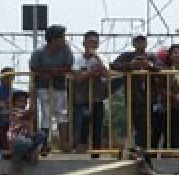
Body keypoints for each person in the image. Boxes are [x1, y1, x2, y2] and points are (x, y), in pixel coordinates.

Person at [28, 24, 74, 152]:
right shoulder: (39, 52)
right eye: (62, 37)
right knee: (46, 114)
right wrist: (50, 72)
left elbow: (69, 66)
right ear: (53, 39)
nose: (64, 40)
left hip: (60, 86)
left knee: (62, 113)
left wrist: (53, 72)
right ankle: (44, 144)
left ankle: (64, 143)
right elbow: (34, 68)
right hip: (43, 86)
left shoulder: (66, 50)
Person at [111, 34, 159, 148]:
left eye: (142, 42)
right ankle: (137, 147)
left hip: (150, 96)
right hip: (133, 96)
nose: (140, 44)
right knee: (136, 123)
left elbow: (160, 67)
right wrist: (130, 65)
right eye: (137, 42)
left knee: (149, 124)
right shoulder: (127, 56)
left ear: (146, 44)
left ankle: (144, 148)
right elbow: (113, 65)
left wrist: (149, 66)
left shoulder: (151, 56)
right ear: (133, 44)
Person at [72, 30, 109, 152]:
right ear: (84, 43)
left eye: (95, 43)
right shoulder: (77, 60)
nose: (92, 45)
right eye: (90, 42)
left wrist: (98, 59)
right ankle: (81, 149)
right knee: (83, 125)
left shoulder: (101, 59)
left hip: (98, 98)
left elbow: (107, 75)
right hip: (82, 99)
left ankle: (96, 153)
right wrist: (91, 73)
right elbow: (77, 78)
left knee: (98, 127)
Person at [158, 44, 179, 149]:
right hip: (169, 107)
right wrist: (173, 96)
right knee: (170, 134)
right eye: (175, 53)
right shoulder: (165, 69)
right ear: (170, 55)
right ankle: (168, 157)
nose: (177, 55)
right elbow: (161, 88)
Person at [7, 90, 48, 162]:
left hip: (26, 138)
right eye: (21, 101)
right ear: (14, 102)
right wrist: (32, 102)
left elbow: (31, 115)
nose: (24, 103)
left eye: (25, 101)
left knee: (42, 134)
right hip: (16, 139)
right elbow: (26, 113)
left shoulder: (25, 111)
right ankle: (25, 154)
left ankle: (28, 153)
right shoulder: (14, 111)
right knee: (26, 141)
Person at [0, 67, 15, 153]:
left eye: (11, 77)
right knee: (2, 141)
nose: (9, 80)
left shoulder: (14, 90)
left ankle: (8, 153)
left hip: (11, 121)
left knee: (9, 140)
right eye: (6, 77)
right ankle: (5, 153)